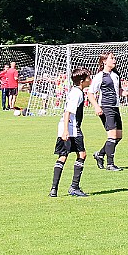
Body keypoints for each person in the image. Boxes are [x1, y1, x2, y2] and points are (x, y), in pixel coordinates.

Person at [49, 67, 92, 197]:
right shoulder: (77, 93)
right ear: (81, 81)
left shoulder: (76, 91)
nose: (90, 79)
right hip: (71, 128)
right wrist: (66, 130)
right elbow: (68, 111)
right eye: (88, 77)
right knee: (81, 154)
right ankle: (74, 187)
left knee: (63, 156)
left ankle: (54, 190)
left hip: (65, 126)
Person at [88, 52, 124, 171]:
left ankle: (100, 154)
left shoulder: (115, 75)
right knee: (112, 136)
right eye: (112, 58)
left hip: (115, 107)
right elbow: (90, 93)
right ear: (104, 61)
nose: (114, 60)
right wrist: (97, 107)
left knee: (118, 136)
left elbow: (119, 91)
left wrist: (126, 93)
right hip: (106, 107)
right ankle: (110, 164)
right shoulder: (100, 76)